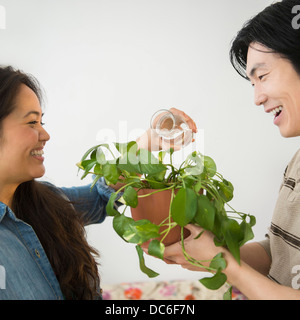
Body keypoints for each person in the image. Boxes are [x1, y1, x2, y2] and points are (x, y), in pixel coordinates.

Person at [0, 65, 197, 300]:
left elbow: (102, 197)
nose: (45, 135)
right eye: (32, 122)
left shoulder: (43, 201)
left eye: (42, 122)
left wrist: (149, 141)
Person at [163, 0, 300, 300]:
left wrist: (225, 263)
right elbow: (277, 254)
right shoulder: (297, 161)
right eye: (252, 83)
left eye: (262, 77)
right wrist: (210, 253)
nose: (257, 98)